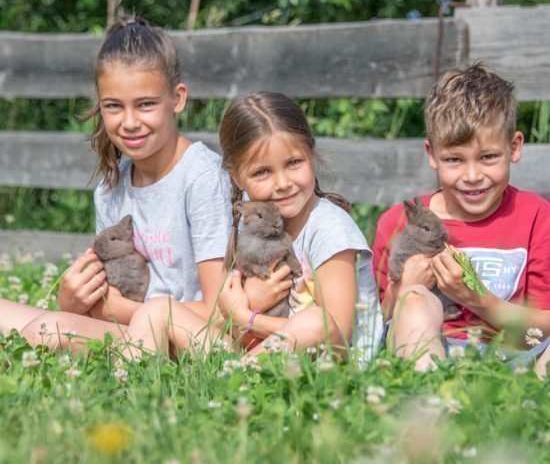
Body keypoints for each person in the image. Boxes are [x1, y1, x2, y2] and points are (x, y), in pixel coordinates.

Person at [0, 16, 232, 348]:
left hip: (189, 336)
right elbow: (104, 297)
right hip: (129, 328)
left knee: (47, 329)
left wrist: (114, 310)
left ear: (177, 99)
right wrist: (74, 302)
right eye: (113, 106)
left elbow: (218, 312)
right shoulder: (111, 189)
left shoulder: (202, 177)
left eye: (146, 104)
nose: (130, 122)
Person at [122, 91, 383, 362]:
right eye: (262, 172)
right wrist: (237, 318)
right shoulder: (249, 222)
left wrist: (248, 317)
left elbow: (336, 335)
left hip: (323, 370)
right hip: (255, 356)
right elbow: (231, 320)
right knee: (156, 311)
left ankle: (233, 383)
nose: (282, 183)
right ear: (238, 177)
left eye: (293, 163)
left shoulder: (330, 228)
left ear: (311, 155)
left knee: (316, 320)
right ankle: (132, 396)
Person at [372, 63, 550, 372]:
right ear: (432, 155)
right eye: (454, 160)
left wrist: (474, 298)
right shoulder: (399, 222)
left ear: (514, 147)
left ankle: (526, 405)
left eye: (488, 157)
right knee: (415, 301)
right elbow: (371, 326)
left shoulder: (537, 215)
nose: (472, 176)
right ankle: (430, 396)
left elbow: (543, 326)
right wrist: (404, 289)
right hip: (431, 350)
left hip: (515, 357)